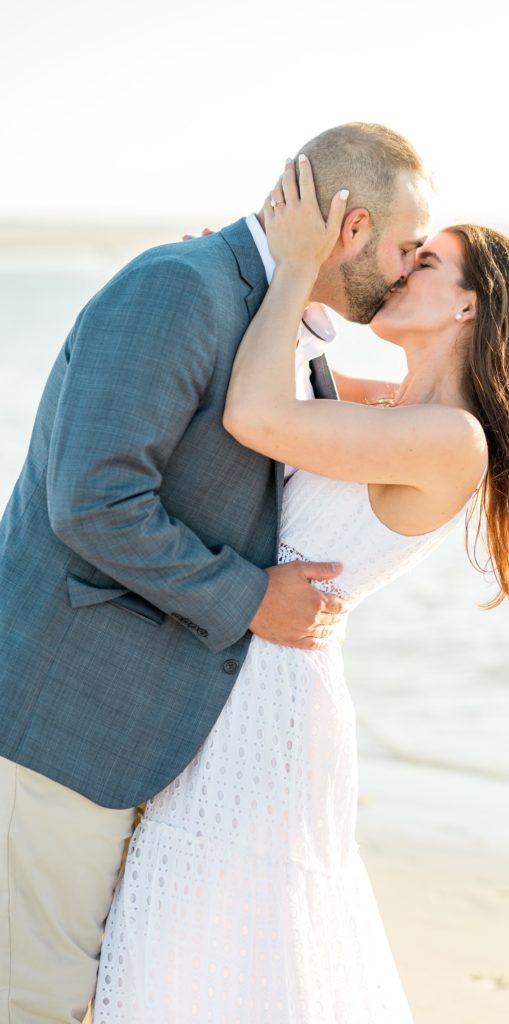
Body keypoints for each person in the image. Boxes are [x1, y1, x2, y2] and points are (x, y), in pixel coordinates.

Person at [92, 157, 509, 1022]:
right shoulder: (389, 407)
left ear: (467, 305)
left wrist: (285, 270)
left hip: (274, 696)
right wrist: (242, 282)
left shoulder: (450, 440)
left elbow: (256, 418)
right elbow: (276, 371)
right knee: (193, 935)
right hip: (249, 670)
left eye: (426, 262)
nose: (400, 268)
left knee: (222, 936)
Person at [0, 123, 432, 1023]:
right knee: (32, 998)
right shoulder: (180, 288)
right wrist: (249, 600)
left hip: (145, 737)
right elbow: (93, 500)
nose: (404, 272)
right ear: (346, 227)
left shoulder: (282, 326)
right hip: (61, 723)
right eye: (401, 249)